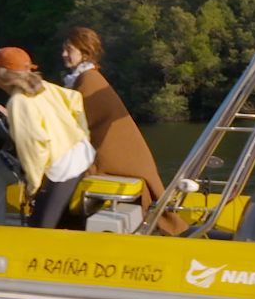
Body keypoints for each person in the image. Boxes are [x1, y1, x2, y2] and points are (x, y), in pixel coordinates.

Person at [61, 26, 184, 235]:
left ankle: (56, 228)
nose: (63, 54)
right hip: (112, 156)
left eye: (69, 49)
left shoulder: (88, 81)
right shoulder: (88, 78)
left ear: (85, 52)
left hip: (110, 160)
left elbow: (70, 125)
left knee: (59, 178)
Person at [0, 46, 95, 229]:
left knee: (40, 226)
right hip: (80, 153)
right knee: (62, 221)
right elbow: (75, 99)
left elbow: (34, 147)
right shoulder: (44, 87)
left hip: (63, 166)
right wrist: (83, 134)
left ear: (3, 74)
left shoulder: (18, 103)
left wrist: (34, 186)